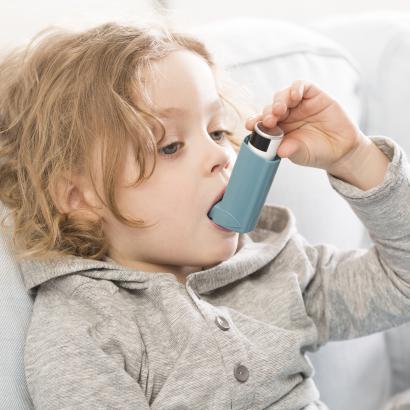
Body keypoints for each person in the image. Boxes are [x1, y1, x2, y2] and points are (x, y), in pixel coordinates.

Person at [0, 19, 409, 410]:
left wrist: (356, 158)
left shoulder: (274, 267)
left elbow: (400, 285)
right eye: (170, 146)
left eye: (216, 132)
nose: (221, 154)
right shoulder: (85, 330)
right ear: (79, 197)